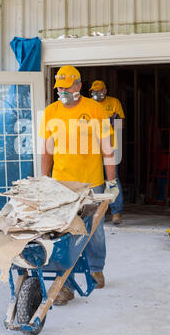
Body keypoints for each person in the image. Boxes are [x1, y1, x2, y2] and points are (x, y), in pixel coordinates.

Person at [39, 65, 119, 306]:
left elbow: (107, 148)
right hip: (62, 184)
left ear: (78, 86)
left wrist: (112, 181)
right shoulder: (51, 112)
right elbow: (46, 151)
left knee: (94, 232)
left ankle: (96, 268)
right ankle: (64, 284)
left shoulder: (95, 110)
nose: (63, 92)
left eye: (67, 87)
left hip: (91, 183)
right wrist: (44, 180)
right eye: (59, 88)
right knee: (62, 234)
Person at [90, 80, 125, 225]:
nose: (96, 94)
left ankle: (116, 212)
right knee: (94, 178)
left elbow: (121, 124)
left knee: (112, 178)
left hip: (111, 145)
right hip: (92, 147)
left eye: (99, 91)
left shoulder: (114, 102)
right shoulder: (89, 105)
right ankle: (97, 212)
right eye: (93, 91)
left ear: (105, 90)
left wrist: (113, 123)